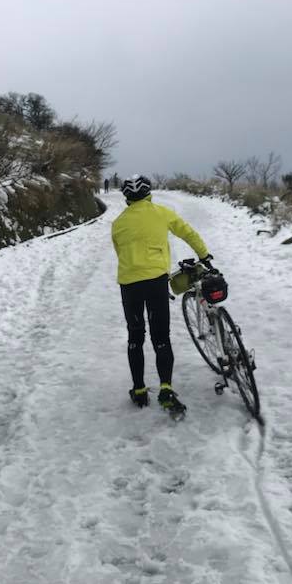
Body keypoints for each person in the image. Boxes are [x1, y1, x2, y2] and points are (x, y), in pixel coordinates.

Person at [111, 174, 211, 414]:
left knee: (135, 337)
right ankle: (166, 389)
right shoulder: (161, 213)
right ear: (148, 194)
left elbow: (119, 252)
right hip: (155, 281)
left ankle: (139, 390)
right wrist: (204, 254)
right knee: (161, 337)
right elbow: (187, 232)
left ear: (127, 198)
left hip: (129, 284)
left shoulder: (118, 223)